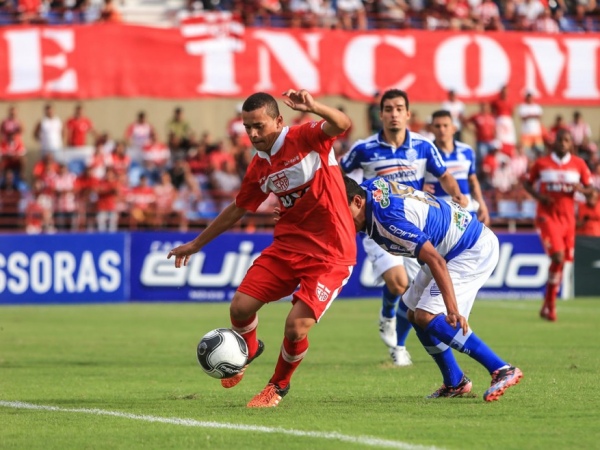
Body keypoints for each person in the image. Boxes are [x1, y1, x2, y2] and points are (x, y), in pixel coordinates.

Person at [167, 89, 356, 408]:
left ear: (279, 121)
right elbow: (237, 208)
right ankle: (249, 350)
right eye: (247, 127)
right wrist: (197, 243)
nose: (253, 134)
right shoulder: (258, 167)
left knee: (295, 327)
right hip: (287, 247)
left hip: (330, 252)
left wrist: (314, 107)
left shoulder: (305, 136)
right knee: (240, 307)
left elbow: (342, 124)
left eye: (259, 125)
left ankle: (277, 387)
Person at [344, 175, 523, 401]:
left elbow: (435, 260)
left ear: (358, 201)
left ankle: (502, 369)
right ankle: (455, 381)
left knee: (427, 315)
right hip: (448, 246)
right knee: (412, 312)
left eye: (340, 213)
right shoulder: (368, 189)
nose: (338, 221)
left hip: (469, 248)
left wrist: (452, 309)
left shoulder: (387, 219)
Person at [340, 89, 467, 367]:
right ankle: (387, 317)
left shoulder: (423, 146)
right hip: (377, 222)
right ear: (381, 114)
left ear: (408, 113)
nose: (394, 114)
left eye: (399, 108)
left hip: (412, 223)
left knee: (410, 292)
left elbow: (445, 175)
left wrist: (456, 194)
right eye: (388, 109)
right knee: (398, 282)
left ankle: (398, 345)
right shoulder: (363, 148)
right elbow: (338, 175)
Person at [523, 129, 593, 322]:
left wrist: (583, 190)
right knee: (558, 256)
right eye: (560, 140)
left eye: (567, 140)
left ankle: (547, 303)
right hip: (547, 216)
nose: (563, 143)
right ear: (554, 143)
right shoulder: (541, 164)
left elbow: (590, 191)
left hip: (568, 219)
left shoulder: (579, 164)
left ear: (571, 144)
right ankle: (551, 306)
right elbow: (527, 183)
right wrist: (539, 197)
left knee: (560, 262)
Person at [425, 110, 490, 225]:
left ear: (454, 128)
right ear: (431, 129)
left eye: (445, 126)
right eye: (437, 126)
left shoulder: (467, 151)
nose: (442, 130)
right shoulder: (425, 152)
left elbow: (473, 180)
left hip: (466, 212)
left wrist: (482, 204)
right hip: (437, 216)